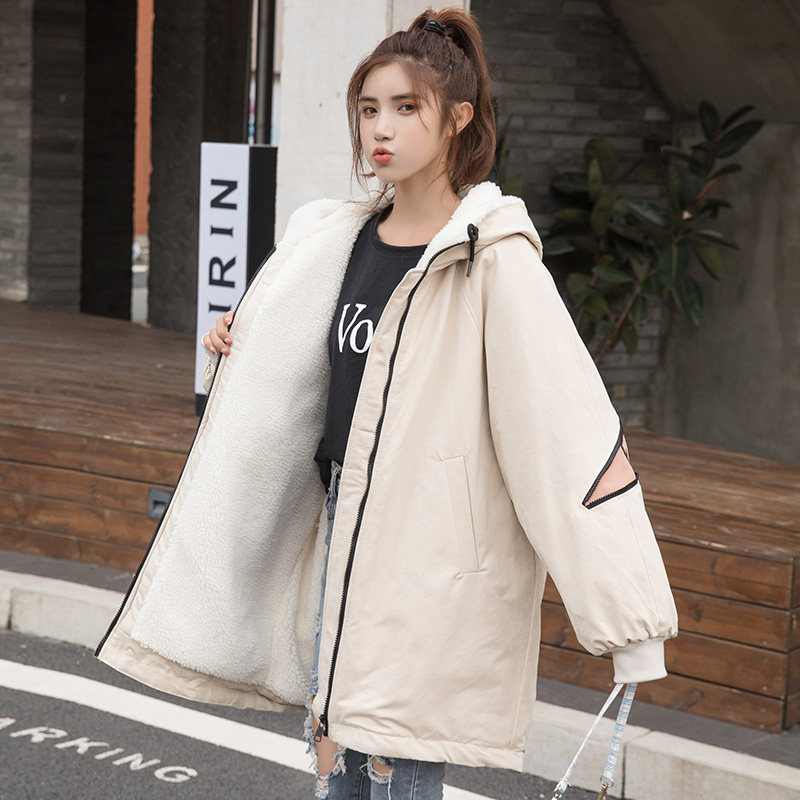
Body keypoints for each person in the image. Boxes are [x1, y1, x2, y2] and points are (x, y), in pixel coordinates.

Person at [95, 7, 678, 800]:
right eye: (370, 108)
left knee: (394, 771)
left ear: (459, 119)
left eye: (407, 107)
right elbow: (313, 381)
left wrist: (630, 624)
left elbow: (565, 433)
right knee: (336, 769)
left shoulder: (490, 264)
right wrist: (245, 336)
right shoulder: (336, 241)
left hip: (427, 557)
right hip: (341, 526)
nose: (381, 128)